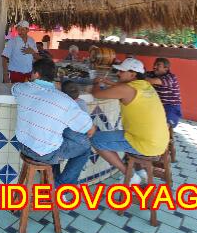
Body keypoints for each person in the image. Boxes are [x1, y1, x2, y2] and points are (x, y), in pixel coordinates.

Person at [12, 59, 95, 188]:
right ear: (53, 77)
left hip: (23, 146)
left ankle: (52, 182)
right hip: (45, 153)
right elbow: (88, 129)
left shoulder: (22, 89)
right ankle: (60, 186)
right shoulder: (64, 100)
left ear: (36, 74)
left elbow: (14, 88)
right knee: (85, 147)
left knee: (56, 137)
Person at [91, 58, 169, 184]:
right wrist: (109, 82)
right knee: (123, 134)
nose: (118, 73)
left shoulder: (127, 89)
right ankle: (140, 171)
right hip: (160, 142)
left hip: (145, 144)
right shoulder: (146, 85)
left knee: (96, 140)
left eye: (122, 71)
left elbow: (97, 94)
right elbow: (124, 88)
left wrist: (96, 83)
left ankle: (129, 174)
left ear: (133, 74)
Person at [146, 58, 183, 127]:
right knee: (157, 126)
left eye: (158, 65)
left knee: (167, 127)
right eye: (154, 65)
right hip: (159, 105)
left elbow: (153, 81)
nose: (154, 67)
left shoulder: (170, 77)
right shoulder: (152, 74)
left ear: (166, 68)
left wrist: (140, 76)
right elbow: (141, 73)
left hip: (171, 106)